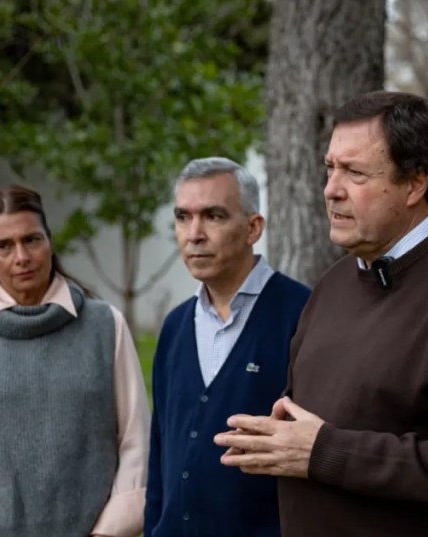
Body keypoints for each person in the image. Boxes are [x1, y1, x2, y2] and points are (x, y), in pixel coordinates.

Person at [214, 91, 428, 537]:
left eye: (355, 172)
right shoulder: (333, 286)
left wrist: (326, 451)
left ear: (415, 183)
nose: (331, 189)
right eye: (330, 168)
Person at [0, 185, 150, 537]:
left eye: (32, 239)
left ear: (50, 240)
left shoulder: (105, 326)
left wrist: (108, 532)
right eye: (3, 246)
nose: (22, 257)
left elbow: (137, 441)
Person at [144, 157, 310, 537]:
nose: (194, 233)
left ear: (253, 227)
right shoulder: (174, 326)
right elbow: (160, 456)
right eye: (183, 217)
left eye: (213, 216)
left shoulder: (302, 316)